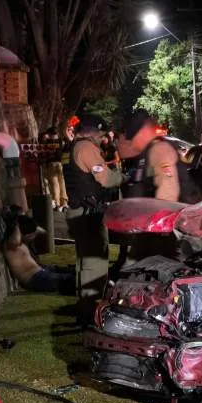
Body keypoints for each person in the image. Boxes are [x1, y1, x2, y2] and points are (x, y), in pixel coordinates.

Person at [63, 114, 126, 312]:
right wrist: (124, 177)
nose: (102, 139)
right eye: (100, 134)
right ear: (92, 131)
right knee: (95, 263)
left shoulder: (72, 146)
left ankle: (83, 305)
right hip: (88, 215)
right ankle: (92, 310)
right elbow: (106, 179)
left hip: (77, 211)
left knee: (84, 262)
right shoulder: (86, 148)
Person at [116, 109, 201, 203]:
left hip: (177, 211)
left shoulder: (160, 149)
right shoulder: (146, 154)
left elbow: (168, 191)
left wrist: (159, 216)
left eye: (134, 138)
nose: (134, 144)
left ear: (143, 132)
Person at [2, 209, 74, 293]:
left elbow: (41, 230)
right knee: (69, 281)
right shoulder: (11, 244)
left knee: (70, 271)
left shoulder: (20, 242)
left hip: (41, 271)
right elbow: (17, 234)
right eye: (30, 235)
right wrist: (17, 221)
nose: (32, 237)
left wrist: (24, 220)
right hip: (35, 279)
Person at [40, 127, 68, 211]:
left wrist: (44, 140)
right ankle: (64, 202)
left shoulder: (48, 142)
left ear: (49, 134)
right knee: (62, 183)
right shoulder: (61, 141)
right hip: (60, 164)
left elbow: (44, 152)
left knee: (54, 184)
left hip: (52, 164)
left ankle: (57, 203)